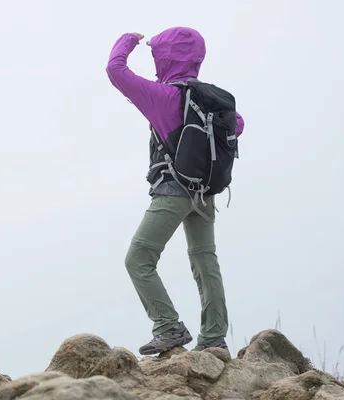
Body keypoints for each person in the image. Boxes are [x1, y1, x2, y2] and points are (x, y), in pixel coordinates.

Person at [105, 27, 245, 355]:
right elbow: (238, 124)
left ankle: (168, 327)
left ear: (165, 56)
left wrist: (128, 39)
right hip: (206, 192)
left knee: (138, 258)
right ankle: (214, 338)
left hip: (172, 190)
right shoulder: (211, 99)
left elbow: (116, 70)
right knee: (204, 259)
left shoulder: (165, 96)